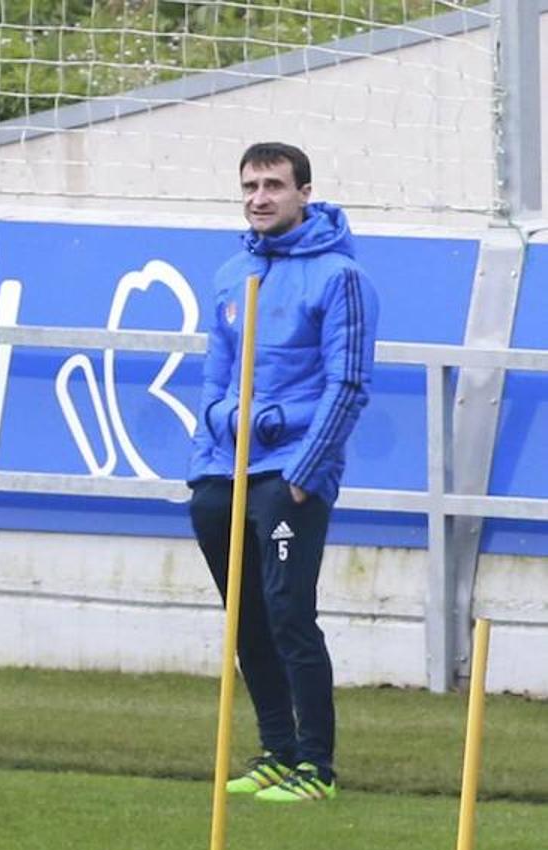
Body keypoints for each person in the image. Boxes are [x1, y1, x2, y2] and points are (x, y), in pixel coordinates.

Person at [187, 142, 379, 802]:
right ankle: (275, 750)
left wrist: (303, 470)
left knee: (288, 612)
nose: (259, 197)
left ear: (304, 193)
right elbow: (215, 374)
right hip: (223, 470)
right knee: (245, 617)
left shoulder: (340, 277)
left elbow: (347, 385)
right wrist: (214, 435)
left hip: (291, 473)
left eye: (273, 185)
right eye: (249, 186)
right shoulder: (230, 274)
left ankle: (316, 768)